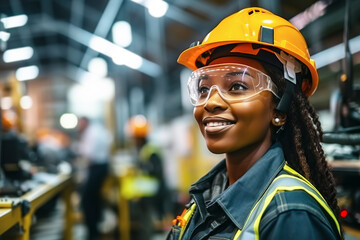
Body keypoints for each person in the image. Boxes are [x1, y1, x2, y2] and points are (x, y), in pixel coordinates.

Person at [167, 7, 342, 240]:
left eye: (237, 86)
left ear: (279, 108)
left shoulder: (290, 215)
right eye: (204, 89)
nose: (211, 102)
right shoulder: (208, 194)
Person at [127, 115, 168, 238]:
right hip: (147, 190)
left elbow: (155, 171)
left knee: (149, 219)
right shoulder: (143, 148)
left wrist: (141, 167)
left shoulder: (151, 149)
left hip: (152, 191)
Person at [77, 116, 113, 240]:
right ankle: (96, 228)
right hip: (101, 166)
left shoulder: (90, 133)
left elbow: (89, 153)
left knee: (87, 200)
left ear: (85, 122)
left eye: (80, 123)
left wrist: (79, 148)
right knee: (94, 198)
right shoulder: (97, 130)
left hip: (97, 167)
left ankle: (93, 233)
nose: (78, 126)